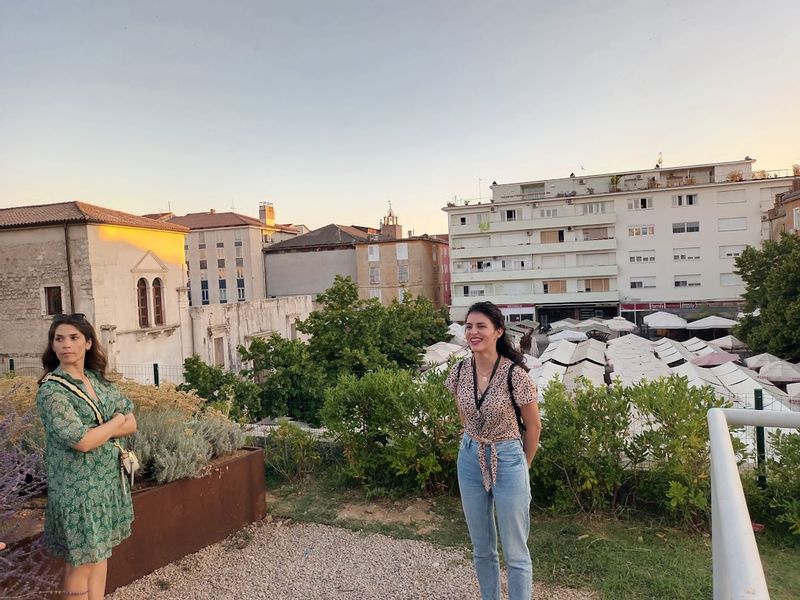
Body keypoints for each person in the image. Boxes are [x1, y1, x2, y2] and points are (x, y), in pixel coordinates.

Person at [36, 313, 137, 600]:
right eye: (59, 339)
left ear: (88, 343)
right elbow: (81, 441)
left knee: (100, 554)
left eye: (73, 338)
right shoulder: (52, 390)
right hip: (76, 490)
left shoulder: (95, 379)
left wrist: (105, 428)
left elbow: (133, 421)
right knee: (81, 563)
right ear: (53, 346)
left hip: (104, 484)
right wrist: (115, 422)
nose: (66, 344)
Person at [446, 302, 542, 600]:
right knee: (482, 548)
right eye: (469, 326)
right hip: (470, 456)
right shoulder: (459, 371)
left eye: (481, 326)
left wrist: (522, 465)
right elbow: (464, 414)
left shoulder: (516, 375)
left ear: (498, 331)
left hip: (509, 457)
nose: (473, 332)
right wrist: (473, 439)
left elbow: (534, 426)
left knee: (515, 550)